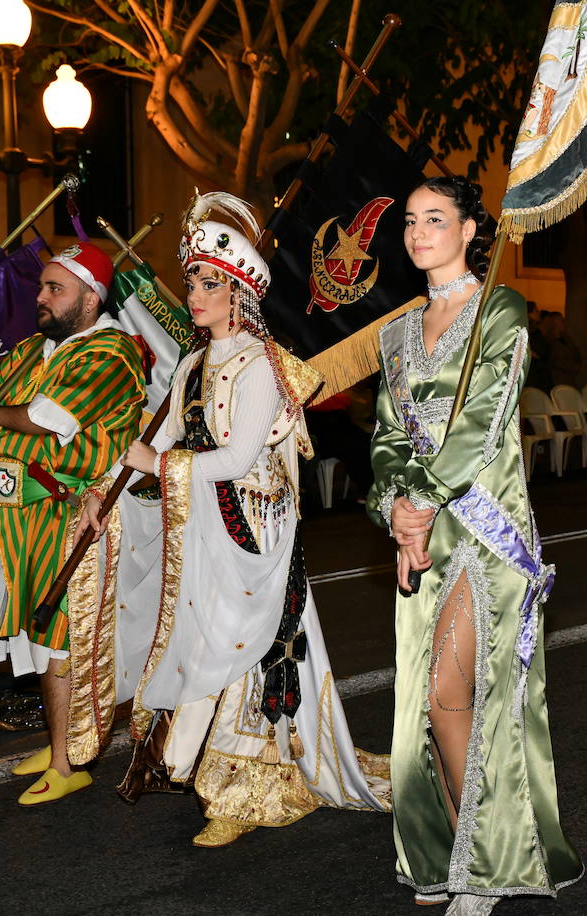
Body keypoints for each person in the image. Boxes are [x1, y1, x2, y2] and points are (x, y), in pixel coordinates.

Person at [71, 189, 389, 846]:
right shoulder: (191, 364)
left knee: (244, 653)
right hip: (202, 529)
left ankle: (241, 793)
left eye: (209, 283)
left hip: (254, 536)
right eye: (192, 281)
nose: (195, 293)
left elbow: (238, 458)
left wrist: (161, 465)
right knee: (201, 645)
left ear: (240, 292)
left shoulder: (261, 366)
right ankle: (201, 767)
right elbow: (156, 442)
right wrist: (102, 491)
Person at [369, 176, 582, 914]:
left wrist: (425, 501)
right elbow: (387, 435)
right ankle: (455, 853)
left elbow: (484, 420)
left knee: (450, 694)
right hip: (423, 529)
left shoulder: (501, 310)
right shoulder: (396, 333)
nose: (418, 232)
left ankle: (485, 866)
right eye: (410, 220)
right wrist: (398, 509)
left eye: (435, 219)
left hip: (484, 526)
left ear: (468, 232)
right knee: (424, 708)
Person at [0, 242, 145, 805]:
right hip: (18, 518)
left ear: (91, 298)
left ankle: (68, 764)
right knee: (38, 640)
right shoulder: (32, 349)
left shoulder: (113, 352)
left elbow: (46, 419)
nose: (40, 296)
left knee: (60, 637)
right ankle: (58, 744)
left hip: (70, 514)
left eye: (54, 288)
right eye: (41, 286)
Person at [542, 310, 585, 389]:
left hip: (570, 379)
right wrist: (572, 366)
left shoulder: (567, 338)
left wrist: (577, 365)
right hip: (558, 381)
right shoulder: (549, 341)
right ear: (554, 323)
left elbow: (576, 352)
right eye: (561, 320)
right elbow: (556, 361)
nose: (564, 323)